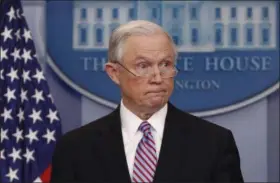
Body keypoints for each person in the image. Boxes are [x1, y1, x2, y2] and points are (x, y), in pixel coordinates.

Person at [50, 20, 244, 183]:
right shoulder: (75, 148)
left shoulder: (214, 143)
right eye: (143, 66)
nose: (158, 78)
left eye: (165, 65)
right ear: (114, 73)